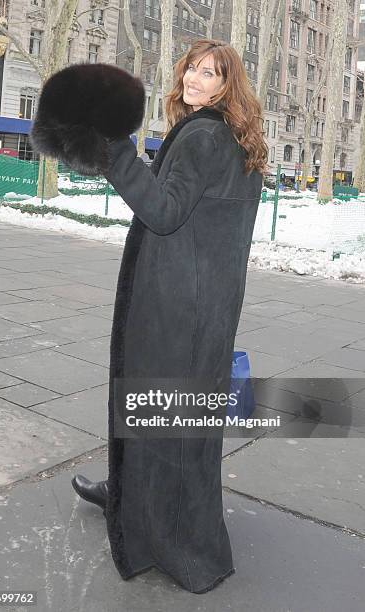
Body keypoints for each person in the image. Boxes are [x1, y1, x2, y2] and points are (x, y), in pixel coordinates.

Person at [72, 38, 268, 593]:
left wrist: (116, 151)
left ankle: (172, 540)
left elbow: (163, 211)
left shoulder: (203, 136)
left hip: (176, 302)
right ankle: (137, 501)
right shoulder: (236, 138)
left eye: (209, 74)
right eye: (191, 69)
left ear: (227, 87)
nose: (194, 80)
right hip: (208, 303)